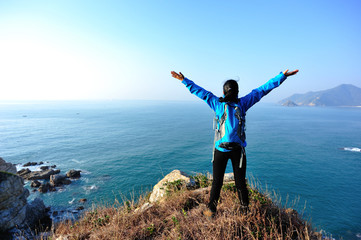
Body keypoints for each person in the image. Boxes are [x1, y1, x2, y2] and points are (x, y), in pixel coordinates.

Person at [171, 69, 299, 218]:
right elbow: (263, 90)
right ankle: (245, 212)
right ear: (237, 92)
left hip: (220, 150)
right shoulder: (243, 104)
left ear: (224, 93)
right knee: (240, 184)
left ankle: (211, 212)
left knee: (217, 183)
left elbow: (200, 92)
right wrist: (282, 76)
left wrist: (184, 80)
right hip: (238, 151)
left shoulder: (217, 104)